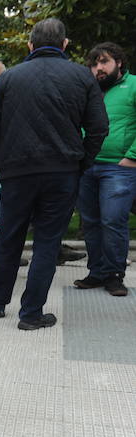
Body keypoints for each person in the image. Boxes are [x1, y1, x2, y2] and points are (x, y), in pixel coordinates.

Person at [0, 18, 109, 330]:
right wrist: (82, 163)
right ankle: (31, 313)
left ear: (30, 46)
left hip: (16, 173)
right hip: (62, 173)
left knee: (8, 238)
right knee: (47, 242)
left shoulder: (9, 79)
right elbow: (100, 127)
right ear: (64, 45)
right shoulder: (82, 77)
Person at [74, 42, 136, 297]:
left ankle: (114, 275)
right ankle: (97, 272)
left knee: (113, 220)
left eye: (104, 62)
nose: (98, 68)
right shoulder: (89, 90)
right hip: (88, 166)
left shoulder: (133, 85)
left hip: (119, 167)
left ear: (119, 63)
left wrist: (132, 157)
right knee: (90, 222)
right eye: (94, 64)